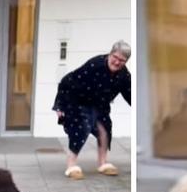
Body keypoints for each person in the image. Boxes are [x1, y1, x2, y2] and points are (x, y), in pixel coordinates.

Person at [53, 41, 132, 180]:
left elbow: (130, 93)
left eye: (122, 60)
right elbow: (67, 81)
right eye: (115, 57)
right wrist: (59, 105)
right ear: (110, 54)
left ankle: (102, 163)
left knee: (105, 130)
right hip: (78, 101)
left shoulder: (124, 75)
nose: (117, 62)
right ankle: (71, 165)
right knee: (82, 128)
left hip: (100, 104)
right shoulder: (95, 65)